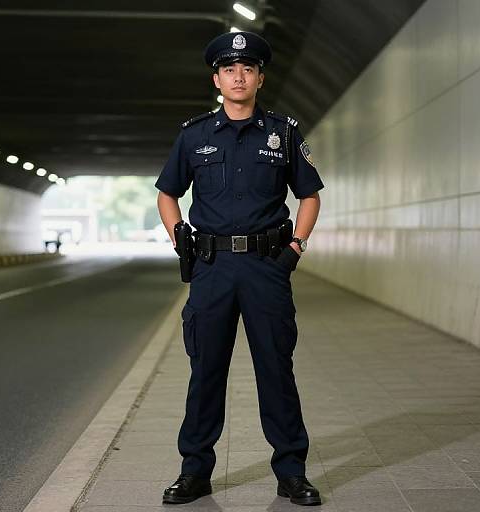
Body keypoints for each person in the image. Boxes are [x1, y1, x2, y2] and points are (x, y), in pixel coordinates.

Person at [155, 30, 324, 506]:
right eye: (229, 69)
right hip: (211, 268)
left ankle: (292, 472)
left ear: (260, 78)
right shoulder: (193, 135)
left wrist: (295, 247)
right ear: (217, 78)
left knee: (276, 368)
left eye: (247, 68)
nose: (238, 76)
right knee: (206, 369)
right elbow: (167, 192)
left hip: (267, 267)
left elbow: (309, 195)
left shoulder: (284, 132)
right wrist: (178, 235)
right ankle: (195, 471)